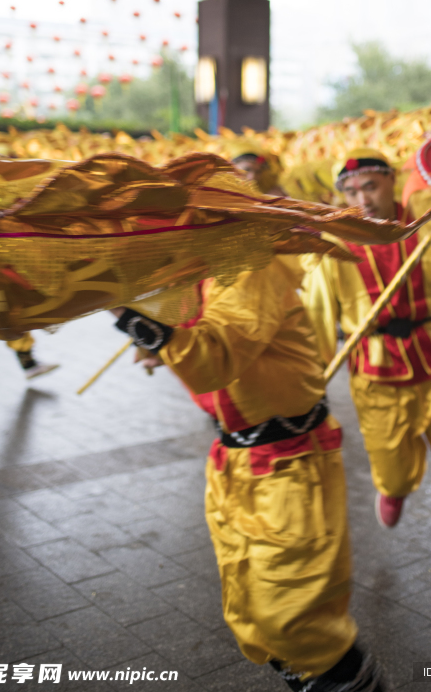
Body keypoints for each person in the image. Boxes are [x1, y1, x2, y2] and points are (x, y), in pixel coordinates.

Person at [113, 254, 387, 692]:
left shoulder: (247, 264)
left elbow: (215, 357)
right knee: (251, 614)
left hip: (290, 464)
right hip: (234, 462)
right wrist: (158, 343)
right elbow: (205, 341)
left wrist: (120, 309)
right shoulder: (199, 268)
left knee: (292, 615)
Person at [303, 149, 431, 603]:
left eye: (370, 187)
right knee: (393, 473)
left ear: (392, 182)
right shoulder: (332, 246)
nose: (363, 198)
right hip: (377, 374)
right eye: (352, 191)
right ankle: (392, 488)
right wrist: (309, 387)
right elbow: (318, 323)